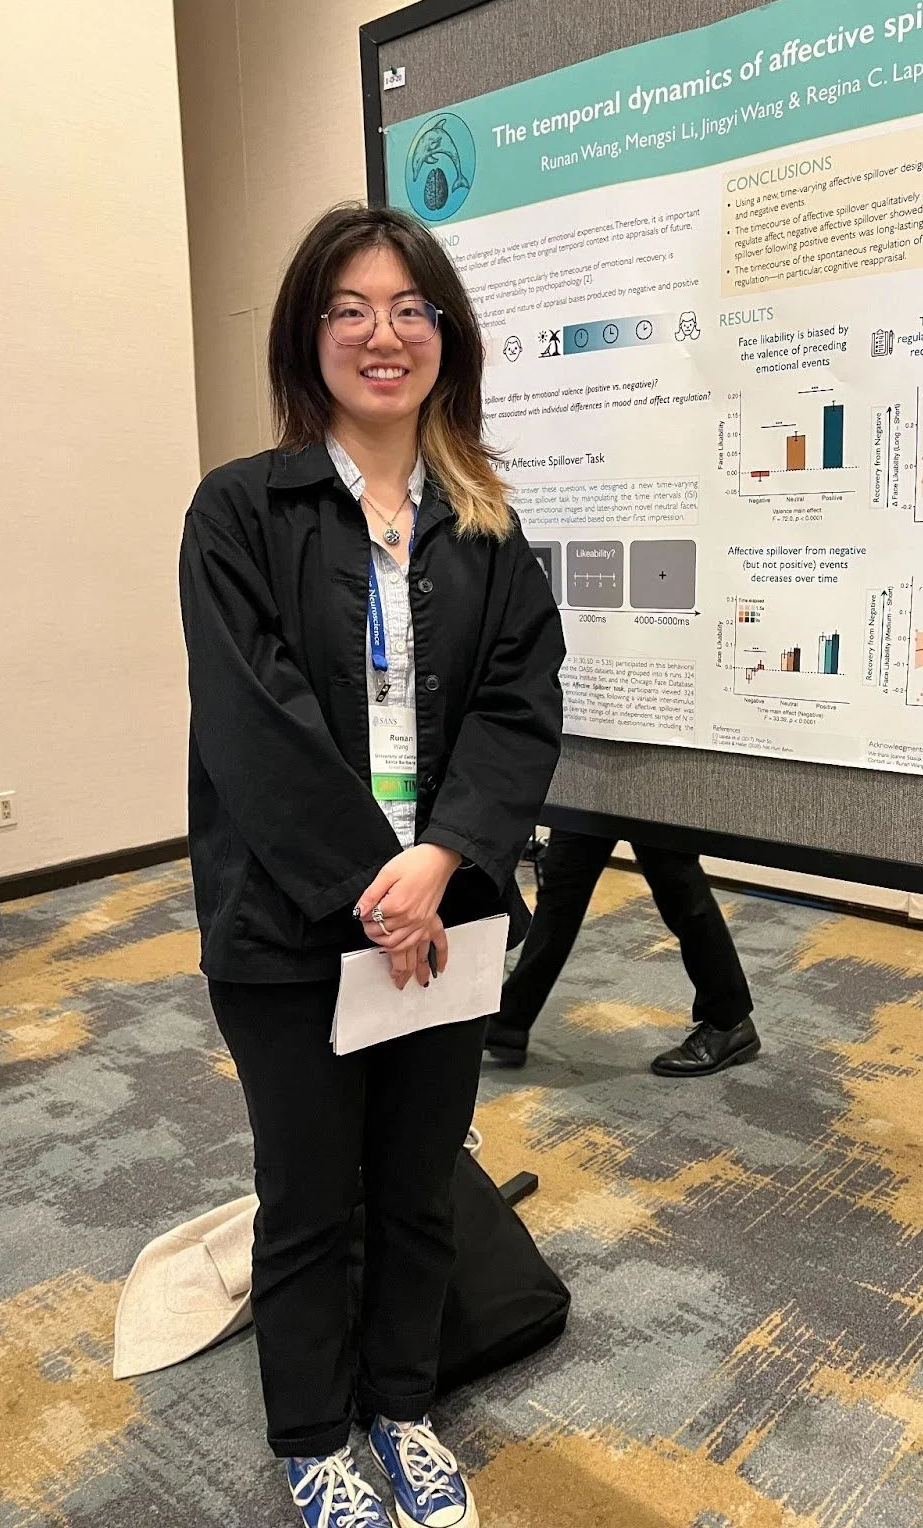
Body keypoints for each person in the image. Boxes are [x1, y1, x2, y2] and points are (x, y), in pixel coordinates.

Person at [179, 204, 563, 1528]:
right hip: (289, 924)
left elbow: (519, 705)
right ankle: (312, 1437)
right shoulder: (240, 511)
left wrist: (441, 859)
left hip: (446, 912)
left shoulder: (487, 523)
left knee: (416, 1183)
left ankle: (401, 1409)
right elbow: (253, 726)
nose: (381, 334)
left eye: (409, 308)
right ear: (309, 336)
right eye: (349, 309)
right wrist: (372, 885)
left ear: (446, 337)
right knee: (305, 1197)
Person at [484, 830, 759, 1077]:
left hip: (651, 792)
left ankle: (728, 1020)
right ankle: (510, 1020)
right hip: (590, 791)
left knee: (676, 883)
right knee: (562, 889)